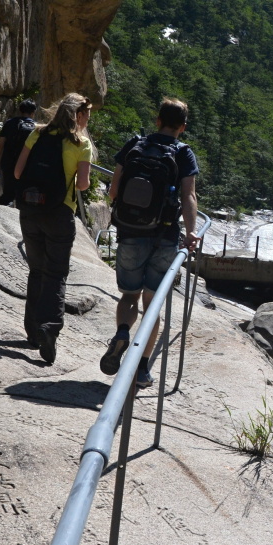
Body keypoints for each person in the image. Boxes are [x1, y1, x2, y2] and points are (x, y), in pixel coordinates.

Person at [100, 97, 200, 386]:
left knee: (129, 296)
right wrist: (191, 232)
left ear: (157, 120)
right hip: (165, 236)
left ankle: (122, 331)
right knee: (152, 304)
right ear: (182, 127)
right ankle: (142, 368)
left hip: (130, 233)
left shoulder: (135, 145)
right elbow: (189, 195)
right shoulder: (183, 153)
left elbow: (113, 192)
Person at [13, 93, 94, 365]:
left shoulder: (37, 133)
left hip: (30, 210)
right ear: (78, 115)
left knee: (36, 270)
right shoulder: (81, 144)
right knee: (56, 274)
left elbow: (17, 173)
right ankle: (49, 327)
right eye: (87, 115)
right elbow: (82, 185)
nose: (88, 120)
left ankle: (33, 332)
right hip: (60, 213)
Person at [0, 99, 37, 205]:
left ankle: (1, 210)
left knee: (8, 192)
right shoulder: (36, 127)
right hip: (27, 165)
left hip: (8, 162)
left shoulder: (10, 123)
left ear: (20, 111)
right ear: (33, 113)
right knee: (24, 193)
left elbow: (0, 145)